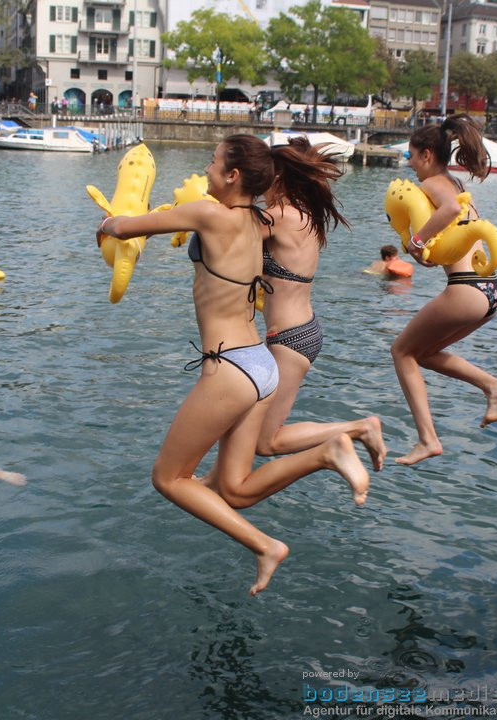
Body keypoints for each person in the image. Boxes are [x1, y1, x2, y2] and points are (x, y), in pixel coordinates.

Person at [96, 135, 370, 595]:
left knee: (168, 477)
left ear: (233, 175)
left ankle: (265, 546)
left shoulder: (209, 214)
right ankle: (327, 453)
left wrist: (105, 221)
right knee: (235, 490)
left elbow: (125, 227)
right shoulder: (256, 220)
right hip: (261, 365)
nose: (206, 169)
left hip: (231, 368)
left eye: (212, 161)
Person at [256, 138, 387, 471]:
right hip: (299, 331)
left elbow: (227, 234)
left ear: (277, 179)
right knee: (250, 420)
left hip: (290, 338)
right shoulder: (305, 214)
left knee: (267, 441)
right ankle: (215, 480)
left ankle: (357, 429)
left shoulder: (278, 216)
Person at [390, 114, 497, 467]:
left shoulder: (436, 186)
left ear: (427, 155)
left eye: (411, 157)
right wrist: (427, 252)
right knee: (422, 353)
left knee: (401, 352)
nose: (410, 166)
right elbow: (454, 234)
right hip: (488, 290)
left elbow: (448, 211)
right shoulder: (455, 183)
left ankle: (427, 439)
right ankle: (493, 387)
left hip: (466, 290)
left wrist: (416, 240)